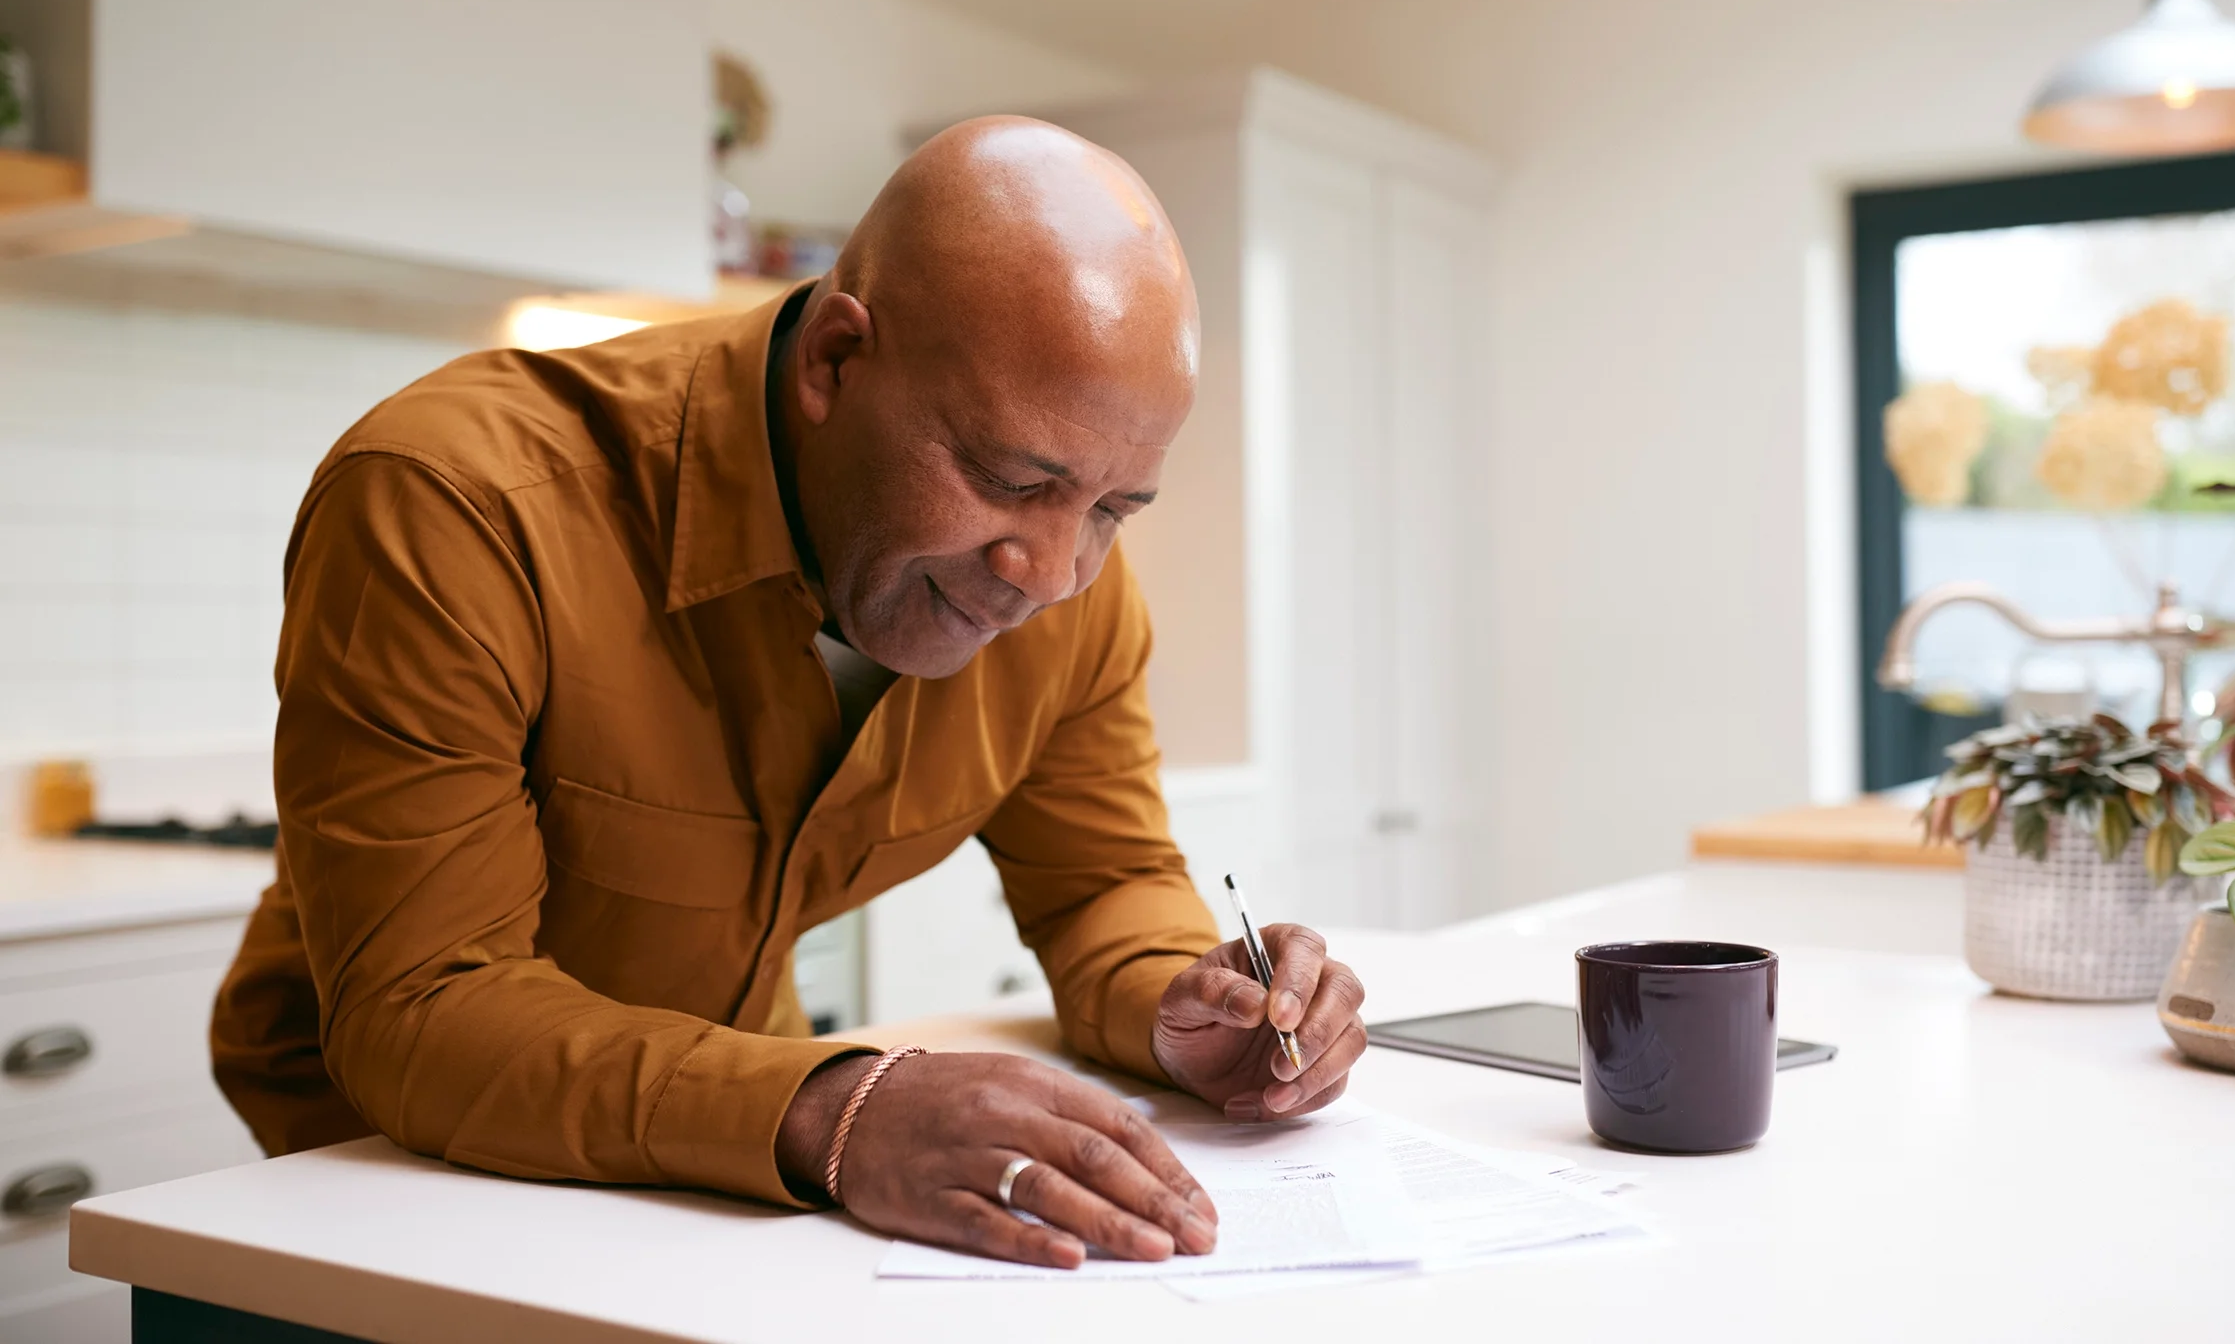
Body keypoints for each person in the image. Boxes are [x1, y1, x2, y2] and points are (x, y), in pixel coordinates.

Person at [208, 117, 1368, 1270]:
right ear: (834, 362)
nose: (1051, 574)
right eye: (1012, 478)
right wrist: (843, 1109)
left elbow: (1099, 884)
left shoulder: (1067, 592)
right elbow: (425, 1008)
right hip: (378, 1179)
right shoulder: (460, 503)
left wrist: (1189, 1010)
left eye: (1114, 511)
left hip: (726, 1164)